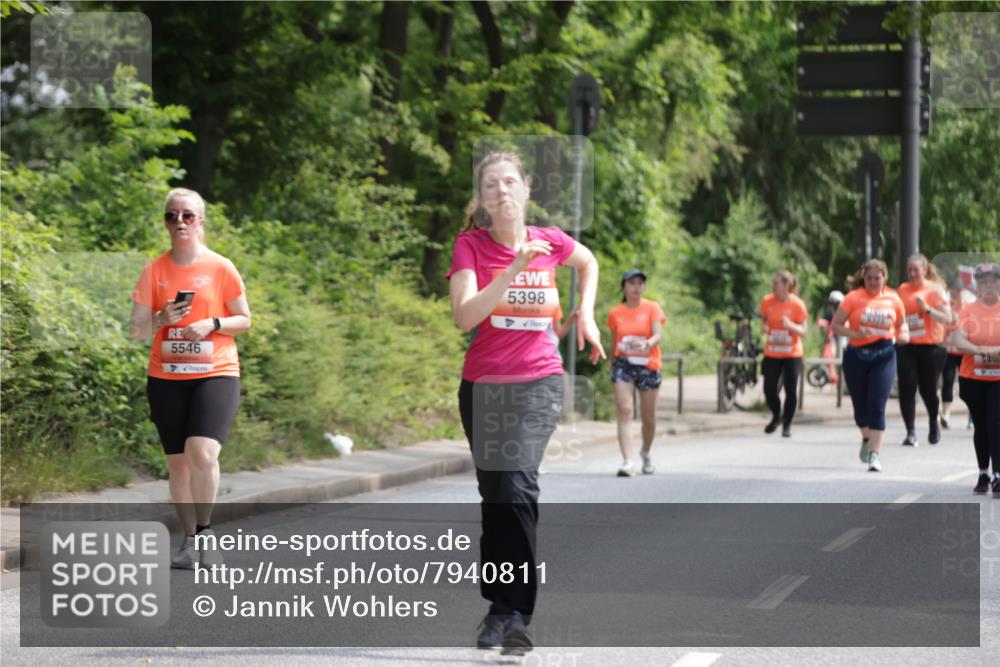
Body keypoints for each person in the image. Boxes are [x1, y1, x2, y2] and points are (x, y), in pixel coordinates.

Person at [447, 151, 605, 655]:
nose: (502, 191)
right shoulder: (470, 247)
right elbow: (465, 316)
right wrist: (513, 268)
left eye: (510, 182)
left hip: (539, 382)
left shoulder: (551, 240)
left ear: (526, 188)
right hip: (483, 387)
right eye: (492, 185)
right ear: (482, 198)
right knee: (496, 495)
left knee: (516, 484)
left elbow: (588, 261)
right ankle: (499, 609)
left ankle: (515, 614)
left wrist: (586, 312)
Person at [129, 188, 252, 568]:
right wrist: (161, 319)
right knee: (179, 465)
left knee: (202, 451)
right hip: (166, 376)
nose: (179, 221)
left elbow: (244, 320)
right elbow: (136, 330)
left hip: (216, 372)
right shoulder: (154, 270)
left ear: (200, 222)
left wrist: (212, 323)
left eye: (187, 215)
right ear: (165, 222)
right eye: (172, 215)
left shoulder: (221, 267)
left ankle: (206, 532)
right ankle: (188, 542)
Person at [832, 259, 910, 472]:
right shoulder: (853, 297)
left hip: (884, 356)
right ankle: (867, 438)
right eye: (869, 278)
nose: (873, 282)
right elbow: (836, 325)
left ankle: (875, 455)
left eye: (877, 278)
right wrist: (855, 333)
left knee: (877, 404)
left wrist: (904, 334)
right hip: (856, 356)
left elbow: (902, 324)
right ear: (863, 278)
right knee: (860, 409)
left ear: (885, 278)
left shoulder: (894, 298)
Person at [607, 269, 667, 476]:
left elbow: (658, 335)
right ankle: (627, 461)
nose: (636, 287)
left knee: (648, 417)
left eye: (640, 283)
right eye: (632, 283)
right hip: (623, 364)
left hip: (648, 364)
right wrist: (612, 362)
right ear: (624, 287)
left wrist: (646, 343)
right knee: (625, 410)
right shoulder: (615, 312)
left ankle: (646, 452)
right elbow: (614, 341)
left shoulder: (652, 308)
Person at [951, 263, 1000, 494]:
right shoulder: (968, 310)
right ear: (977, 285)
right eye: (983, 281)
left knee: (996, 422)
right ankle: (983, 473)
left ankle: (998, 475)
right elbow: (958, 340)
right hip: (973, 378)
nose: (988, 285)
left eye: (993, 280)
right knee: (981, 426)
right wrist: (979, 350)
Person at [895, 254, 951, 446]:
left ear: (924, 270)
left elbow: (947, 318)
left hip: (931, 346)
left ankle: (933, 421)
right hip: (907, 345)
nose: (912, 274)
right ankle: (910, 431)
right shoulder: (903, 289)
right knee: (907, 386)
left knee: (928, 389)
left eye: (916, 270)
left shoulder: (935, 290)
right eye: (909, 270)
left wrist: (927, 309)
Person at [759, 270, 809, 437]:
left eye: (776, 283)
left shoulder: (797, 304)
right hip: (772, 351)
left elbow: (803, 331)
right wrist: (764, 327)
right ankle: (777, 415)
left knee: (791, 390)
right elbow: (764, 321)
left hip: (792, 353)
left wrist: (790, 325)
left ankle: (787, 424)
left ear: (787, 285)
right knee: (769, 389)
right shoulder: (767, 301)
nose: (773, 286)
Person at [941, 278, 970, 429]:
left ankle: (972, 416)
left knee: (968, 385)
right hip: (950, 351)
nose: (955, 295)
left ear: (963, 292)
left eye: (958, 292)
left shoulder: (969, 308)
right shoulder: (947, 307)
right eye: (953, 291)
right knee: (948, 381)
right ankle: (946, 414)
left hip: (965, 353)